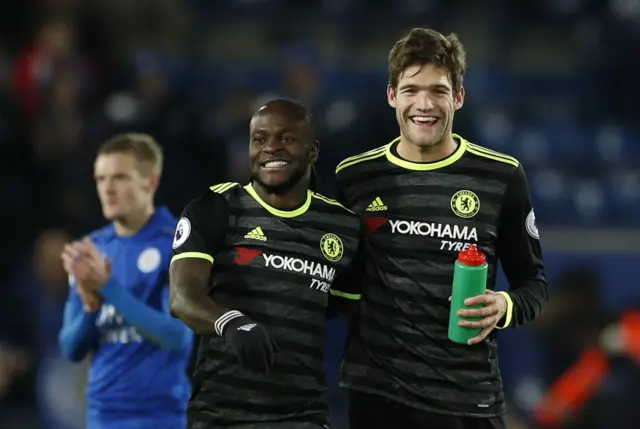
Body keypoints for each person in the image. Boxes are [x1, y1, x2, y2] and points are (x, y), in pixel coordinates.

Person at [335, 28, 548, 429]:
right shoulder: (355, 177)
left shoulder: (501, 176)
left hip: (466, 402)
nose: (425, 104)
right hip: (379, 397)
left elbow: (534, 286)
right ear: (392, 96)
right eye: (411, 90)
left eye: (439, 90)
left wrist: (503, 306)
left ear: (459, 98)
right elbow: (339, 280)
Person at [169, 98, 363, 429]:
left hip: (303, 417)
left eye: (286, 138)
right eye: (259, 139)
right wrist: (232, 323)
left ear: (312, 151)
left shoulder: (342, 226)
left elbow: (357, 314)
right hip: (220, 416)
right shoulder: (216, 208)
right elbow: (183, 297)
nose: (270, 148)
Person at [58, 133, 193, 429]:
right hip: (101, 418)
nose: (107, 188)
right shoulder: (91, 249)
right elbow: (71, 348)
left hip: (160, 419)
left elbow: (177, 337)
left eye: (120, 177)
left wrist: (108, 287)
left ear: (151, 182)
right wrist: (91, 308)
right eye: (101, 178)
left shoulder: (180, 245)